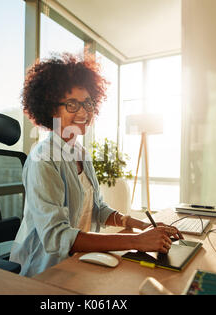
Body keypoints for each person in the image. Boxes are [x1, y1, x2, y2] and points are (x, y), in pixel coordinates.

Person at [10, 53, 182, 277]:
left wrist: (142, 226)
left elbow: (99, 209)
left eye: (88, 103)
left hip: (79, 262)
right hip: (43, 272)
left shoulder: (81, 153)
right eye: (72, 104)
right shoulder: (42, 160)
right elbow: (56, 236)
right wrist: (136, 241)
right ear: (51, 109)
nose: (83, 112)